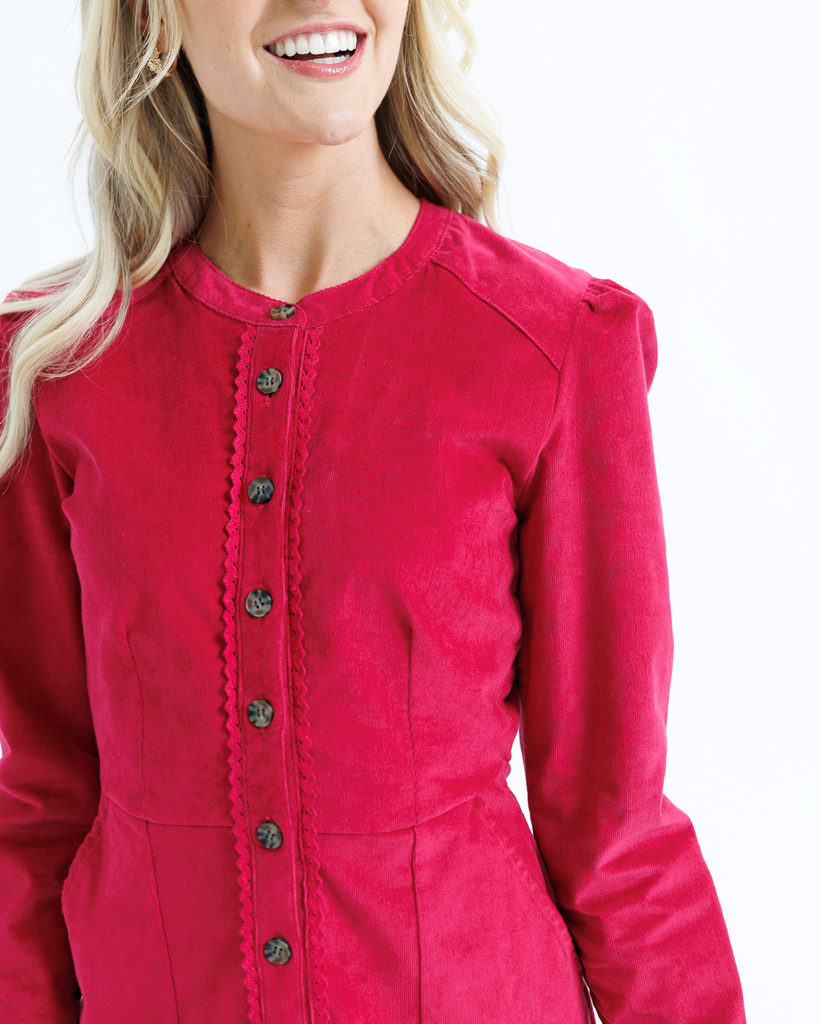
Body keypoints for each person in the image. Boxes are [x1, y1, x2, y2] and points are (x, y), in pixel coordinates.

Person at [0, 1, 747, 1022]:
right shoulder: (60, 370)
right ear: (152, 15)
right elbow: (44, 804)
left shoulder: (555, 346)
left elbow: (617, 836)